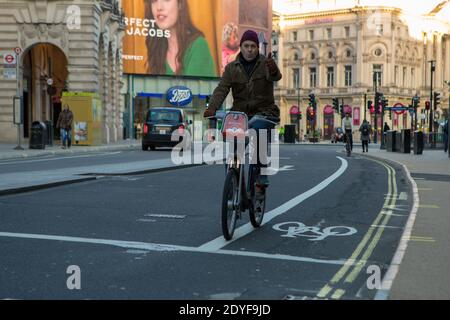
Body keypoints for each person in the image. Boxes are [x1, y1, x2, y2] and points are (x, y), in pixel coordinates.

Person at [203, 29, 282, 192]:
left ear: (257, 47)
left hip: (263, 112)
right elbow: (221, 89)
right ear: (241, 46)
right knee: (233, 150)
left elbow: (276, 77)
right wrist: (212, 107)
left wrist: (273, 69)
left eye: (253, 46)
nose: (250, 49)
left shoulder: (265, 63)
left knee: (259, 138)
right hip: (240, 115)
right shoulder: (232, 68)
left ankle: (260, 174)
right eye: (246, 46)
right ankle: (232, 182)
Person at [145, 0, 217, 77]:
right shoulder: (157, 50)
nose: (159, 7)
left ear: (180, 4)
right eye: (153, 0)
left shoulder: (198, 46)